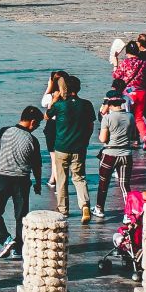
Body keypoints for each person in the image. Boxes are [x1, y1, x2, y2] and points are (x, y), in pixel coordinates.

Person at [0, 106, 44, 260]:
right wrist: (37, 182)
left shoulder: (5, 131)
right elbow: (37, 165)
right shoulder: (33, 141)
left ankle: (6, 239)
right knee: (21, 216)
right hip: (22, 181)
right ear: (32, 122)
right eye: (37, 125)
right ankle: (18, 248)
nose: (36, 128)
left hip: (1, 178)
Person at [45, 75, 95, 222]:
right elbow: (91, 126)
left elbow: (47, 116)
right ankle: (85, 205)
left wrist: (55, 99)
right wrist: (85, 140)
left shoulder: (60, 105)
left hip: (61, 146)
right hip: (79, 147)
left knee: (62, 179)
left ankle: (63, 209)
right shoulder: (86, 104)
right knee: (79, 178)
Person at [93, 91, 136, 218]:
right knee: (125, 185)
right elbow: (133, 136)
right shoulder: (130, 117)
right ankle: (129, 213)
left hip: (109, 154)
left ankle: (99, 208)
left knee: (103, 183)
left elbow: (102, 139)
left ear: (110, 104)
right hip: (126, 154)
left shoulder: (107, 118)